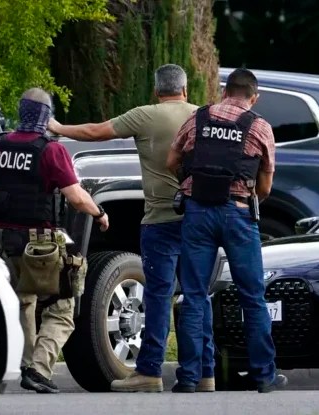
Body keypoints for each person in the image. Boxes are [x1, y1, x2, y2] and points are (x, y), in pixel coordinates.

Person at [48, 64, 212, 392]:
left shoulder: (144, 116)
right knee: (197, 296)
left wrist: (57, 126)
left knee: (157, 294)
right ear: (185, 89)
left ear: (156, 90)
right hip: (198, 219)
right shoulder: (202, 116)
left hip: (159, 220)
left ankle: (149, 372)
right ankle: (204, 373)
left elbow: (96, 132)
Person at [0, 87, 109, 394]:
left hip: (0, 242)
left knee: (23, 302)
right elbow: (75, 197)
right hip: (39, 246)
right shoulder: (51, 150)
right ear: (46, 118)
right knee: (62, 306)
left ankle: (24, 365)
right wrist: (99, 213)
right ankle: (39, 368)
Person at [166, 68, 287, 393]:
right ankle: (264, 376)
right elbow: (266, 185)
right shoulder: (260, 126)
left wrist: (192, 182)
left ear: (223, 91)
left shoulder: (197, 119)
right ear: (253, 97)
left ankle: (189, 378)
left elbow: (171, 160)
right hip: (238, 215)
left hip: (198, 213)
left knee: (193, 296)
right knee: (253, 298)